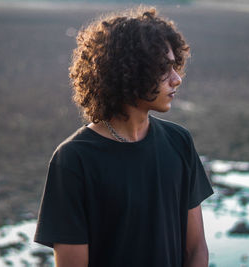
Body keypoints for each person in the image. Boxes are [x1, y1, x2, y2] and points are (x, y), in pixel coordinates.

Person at [34, 5, 214, 267]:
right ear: (128, 71)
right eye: (163, 68)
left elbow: (196, 249)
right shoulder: (74, 160)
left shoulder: (179, 142)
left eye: (175, 66)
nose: (176, 79)